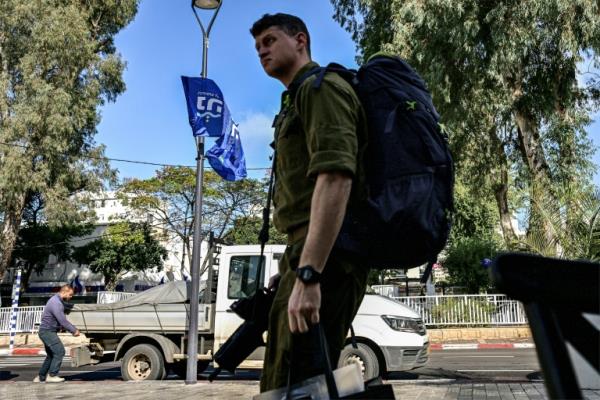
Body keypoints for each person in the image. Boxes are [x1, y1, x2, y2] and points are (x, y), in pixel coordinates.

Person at [250, 13, 369, 392]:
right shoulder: (300, 96)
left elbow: (335, 176)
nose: (261, 51)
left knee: (296, 383)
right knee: (291, 381)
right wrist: (294, 267)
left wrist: (310, 273)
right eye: (257, 46)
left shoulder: (321, 88)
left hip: (327, 257)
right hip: (307, 253)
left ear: (300, 40)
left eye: (270, 40)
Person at [34, 284, 80, 383]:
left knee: (51, 355)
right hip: (47, 332)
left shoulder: (57, 300)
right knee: (60, 351)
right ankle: (52, 375)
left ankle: (41, 377)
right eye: (70, 295)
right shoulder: (56, 303)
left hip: (46, 331)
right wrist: (74, 330)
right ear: (64, 292)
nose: (71, 297)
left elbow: (66, 308)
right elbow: (62, 321)